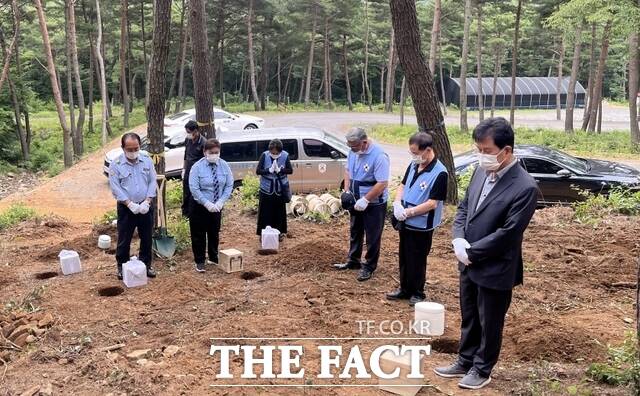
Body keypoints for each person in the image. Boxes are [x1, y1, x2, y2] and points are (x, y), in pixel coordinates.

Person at [434, 117, 538, 390]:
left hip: (496, 266)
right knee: (469, 315)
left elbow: (509, 233)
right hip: (467, 261)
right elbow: (465, 208)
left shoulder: (525, 187)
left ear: (506, 151)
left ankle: (482, 368)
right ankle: (465, 359)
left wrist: (473, 251)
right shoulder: (481, 172)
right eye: (478, 149)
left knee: (490, 321)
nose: (482, 156)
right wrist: (458, 240)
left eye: (487, 151)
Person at [387, 132, 448, 306]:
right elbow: (403, 184)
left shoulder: (440, 173)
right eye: (411, 153)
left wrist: (409, 212)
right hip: (405, 221)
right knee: (404, 256)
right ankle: (404, 288)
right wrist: (398, 203)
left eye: (416, 153)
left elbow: (432, 203)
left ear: (428, 150)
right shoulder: (414, 164)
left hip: (422, 225)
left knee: (418, 258)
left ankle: (418, 292)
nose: (413, 156)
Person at [334, 127, 390, 282]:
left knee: (372, 235)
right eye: (350, 147)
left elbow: (382, 183)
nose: (352, 149)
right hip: (355, 199)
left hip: (374, 203)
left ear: (364, 142)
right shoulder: (353, 152)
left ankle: (369, 266)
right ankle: (353, 260)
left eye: (355, 146)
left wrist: (366, 199)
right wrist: (346, 191)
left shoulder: (379, 156)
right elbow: (347, 172)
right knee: (355, 231)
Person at [108, 132, 158, 280]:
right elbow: (115, 187)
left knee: (147, 237)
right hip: (126, 208)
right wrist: (129, 204)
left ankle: (146, 265)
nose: (133, 152)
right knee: (124, 238)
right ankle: (122, 266)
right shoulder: (115, 164)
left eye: (136, 148)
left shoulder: (146, 160)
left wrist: (147, 201)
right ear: (123, 148)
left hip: (145, 205)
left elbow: (152, 181)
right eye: (129, 149)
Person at [188, 139, 234, 273]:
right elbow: (194, 188)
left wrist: (221, 202)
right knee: (199, 234)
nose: (214, 155)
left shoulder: (224, 165)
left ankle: (213, 257)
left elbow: (229, 184)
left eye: (216, 152)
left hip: (217, 205)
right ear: (205, 152)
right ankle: (200, 261)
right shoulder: (197, 167)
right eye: (211, 152)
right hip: (199, 206)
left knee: (214, 232)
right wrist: (206, 203)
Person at [255, 139, 293, 239]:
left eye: (277, 153)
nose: (274, 154)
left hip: (280, 189)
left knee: (279, 212)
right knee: (265, 212)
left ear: (280, 151)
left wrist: (280, 170)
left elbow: (290, 170)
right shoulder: (265, 155)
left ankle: (279, 232)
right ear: (270, 150)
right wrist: (268, 170)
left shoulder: (285, 155)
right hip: (266, 189)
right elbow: (258, 171)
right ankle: (264, 233)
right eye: (273, 152)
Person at [181, 120, 206, 217]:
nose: (188, 135)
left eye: (189, 132)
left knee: (194, 193)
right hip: (188, 171)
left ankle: (193, 213)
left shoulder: (203, 142)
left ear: (195, 131)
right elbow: (186, 155)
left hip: (197, 173)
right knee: (186, 193)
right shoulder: (187, 140)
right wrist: (184, 169)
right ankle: (185, 213)